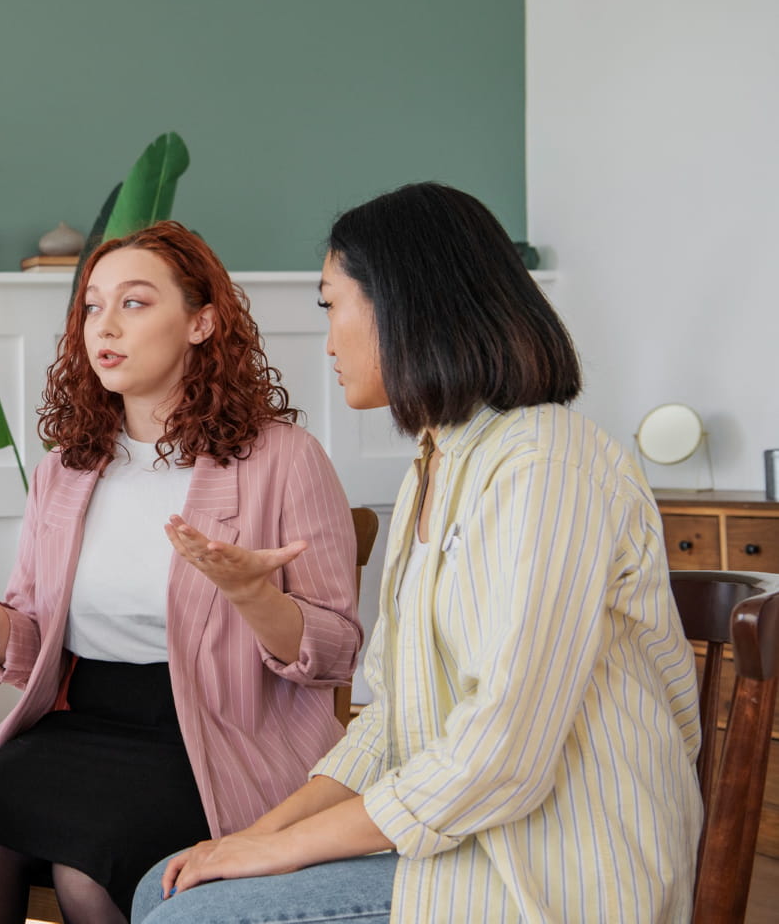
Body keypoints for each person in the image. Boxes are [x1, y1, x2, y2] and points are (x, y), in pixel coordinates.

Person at [132, 183, 703, 923]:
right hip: (463, 843)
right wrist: (254, 836)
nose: (329, 340)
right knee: (168, 885)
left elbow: (501, 752)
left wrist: (280, 853)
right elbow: (391, 721)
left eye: (332, 306)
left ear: (406, 305)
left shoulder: (547, 465)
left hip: (555, 870)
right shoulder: (437, 462)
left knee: (190, 916)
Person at [0, 221, 361, 924]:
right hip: (83, 723)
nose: (107, 325)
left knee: (87, 867)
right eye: (94, 306)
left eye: (134, 303)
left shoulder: (284, 458)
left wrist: (255, 597)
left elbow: (335, 651)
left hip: (215, 735)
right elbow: (31, 649)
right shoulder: (65, 472)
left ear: (201, 322)